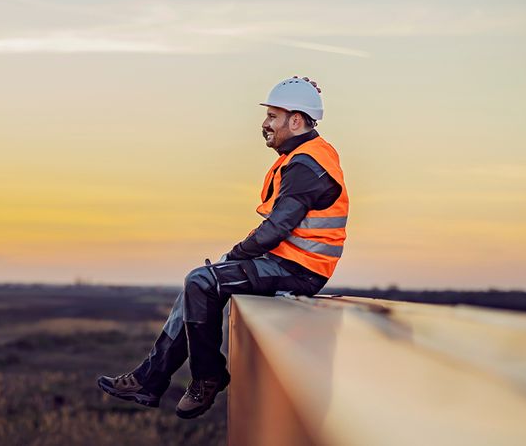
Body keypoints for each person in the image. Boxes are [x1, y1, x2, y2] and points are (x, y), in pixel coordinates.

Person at [97, 76, 349, 419]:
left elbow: (277, 227)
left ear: (296, 120)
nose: (265, 124)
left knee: (202, 281)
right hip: (285, 263)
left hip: (299, 271)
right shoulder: (303, 157)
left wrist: (235, 255)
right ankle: (149, 379)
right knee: (197, 284)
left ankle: (207, 377)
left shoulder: (307, 165)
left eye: (273, 116)